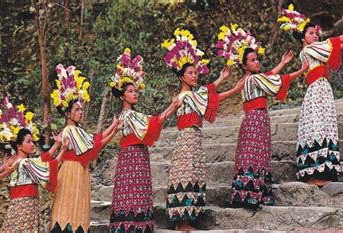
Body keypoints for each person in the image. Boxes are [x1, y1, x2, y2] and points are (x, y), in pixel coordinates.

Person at [277, 4, 343, 186]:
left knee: (324, 126)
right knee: (317, 127)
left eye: (315, 33)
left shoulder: (317, 49)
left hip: (323, 89)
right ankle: (314, 173)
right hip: (316, 91)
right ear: (303, 38)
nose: (315, 35)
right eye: (311, 33)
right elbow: (333, 43)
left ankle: (324, 171)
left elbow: (339, 45)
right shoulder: (308, 50)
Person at [216, 23, 308, 208]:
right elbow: (276, 80)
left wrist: (282, 63)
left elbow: (268, 76)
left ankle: (245, 194)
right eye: (252, 60)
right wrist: (300, 70)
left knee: (250, 155)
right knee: (256, 155)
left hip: (251, 120)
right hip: (257, 119)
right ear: (244, 65)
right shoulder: (254, 79)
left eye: (257, 59)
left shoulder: (247, 79)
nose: (257, 62)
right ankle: (254, 195)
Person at [162, 28, 243, 230]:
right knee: (186, 174)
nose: (195, 75)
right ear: (181, 77)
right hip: (187, 138)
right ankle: (182, 223)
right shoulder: (185, 97)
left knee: (193, 173)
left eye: (196, 72)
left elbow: (206, 93)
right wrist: (233, 89)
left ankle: (188, 219)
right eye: (190, 73)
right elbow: (208, 96)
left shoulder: (193, 94)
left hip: (194, 137)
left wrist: (222, 79)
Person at [109, 48, 181, 233]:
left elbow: (151, 121)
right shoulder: (128, 115)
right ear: (122, 95)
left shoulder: (129, 115)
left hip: (137, 155)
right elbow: (152, 122)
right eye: (130, 91)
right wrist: (172, 107)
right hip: (132, 156)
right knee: (132, 192)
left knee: (134, 191)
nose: (135, 94)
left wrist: (171, 108)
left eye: (135, 91)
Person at [49, 64, 120, 232]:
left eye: (81, 109)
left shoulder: (76, 130)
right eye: (77, 109)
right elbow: (96, 145)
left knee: (75, 206)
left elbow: (95, 139)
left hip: (77, 172)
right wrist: (114, 130)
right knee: (70, 208)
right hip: (71, 172)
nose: (81, 112)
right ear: (68, 113)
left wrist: (113, 127)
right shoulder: (70, 130)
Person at [0, 97, 65, 232]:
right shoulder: (24, 163)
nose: (32, 144)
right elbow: (48, 166)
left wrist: (57, 144)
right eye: (28, 142)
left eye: (32, 141)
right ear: (19, 145)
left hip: (19, 206)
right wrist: (63, 150)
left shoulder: (15, 160)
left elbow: (43, 159)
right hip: (25, 207)